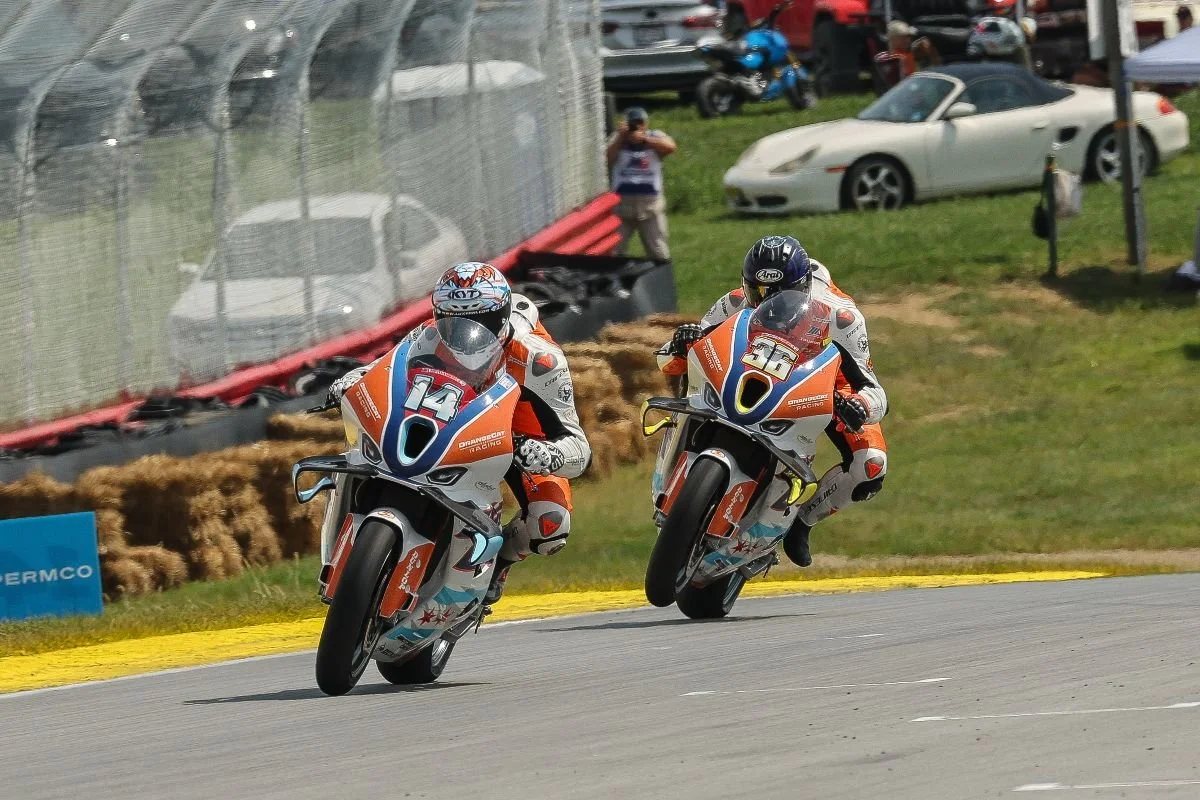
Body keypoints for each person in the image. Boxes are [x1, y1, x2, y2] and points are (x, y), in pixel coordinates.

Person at [327, 262, 592, 605]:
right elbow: (384, 369)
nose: (465, 333)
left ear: (500, 317)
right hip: (455, 415)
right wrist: (352, 379)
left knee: (550, 524)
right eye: (452, 321)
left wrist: (548, 454)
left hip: (518, 432)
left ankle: (499, 565)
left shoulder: (540, 360)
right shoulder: (430, 335)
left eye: (480, 322)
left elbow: (579, 447)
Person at [655, 236, 888, 567]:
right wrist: (681, 342)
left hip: (822, 383)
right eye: (758, 293)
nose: (767, 302)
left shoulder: (842, 318)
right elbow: (672, 358)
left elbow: (874, 390)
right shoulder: (736, 300)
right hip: (749, 369)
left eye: (778, 295)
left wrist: (860, 406)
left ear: (803, 287)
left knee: (871, 463)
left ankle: (802, 522)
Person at [606, 106, 676, 264]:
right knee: (613, 253)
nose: (636, 127)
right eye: (633, 123)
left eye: (640, 123)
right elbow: (607, 157)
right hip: (622, 209)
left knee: (659, 254)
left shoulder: (655, 137)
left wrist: (644, 139)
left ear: (646, 124)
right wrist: (620, 136)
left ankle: (660, 285)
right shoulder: (618, 140)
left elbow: (671, 147)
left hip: (651, 209)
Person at [873, 20, 941, 90]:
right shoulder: (892, 61)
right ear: (893, 39)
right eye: (903, 37)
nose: (908, 40)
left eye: (908, 37)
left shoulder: (907, 52)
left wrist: (930, 50)